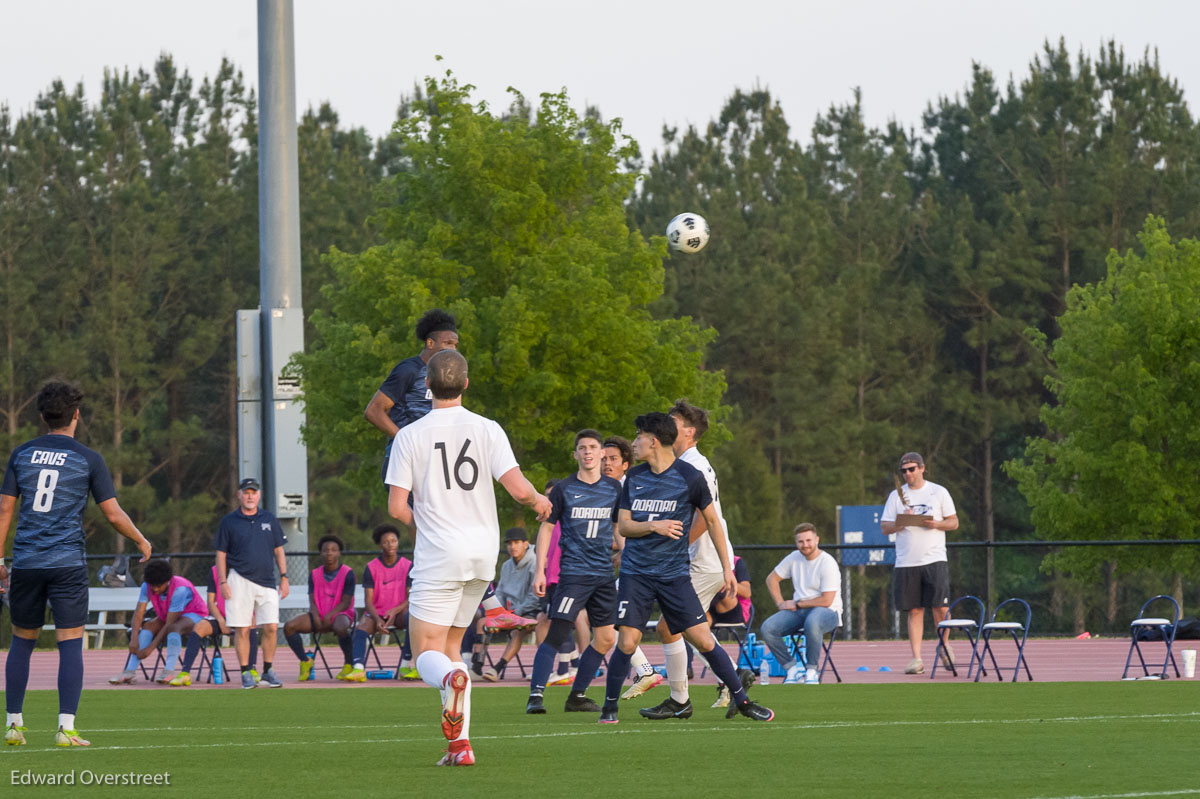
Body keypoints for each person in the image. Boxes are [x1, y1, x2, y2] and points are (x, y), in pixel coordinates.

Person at [385, 349, 551, 766]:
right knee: (453, 645)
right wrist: (539, 502)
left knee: (425, 651)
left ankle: (450, 681)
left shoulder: (409, 435)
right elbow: (517, 488)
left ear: (426, 386)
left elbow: (396, 508)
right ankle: (461, 747)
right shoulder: (488, 428)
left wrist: (426, 528)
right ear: (465, 384)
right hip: (481, 556)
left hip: (441, 555)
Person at [0, 380, 152, 747]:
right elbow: (113, 515)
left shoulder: (21, 454)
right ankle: (66, 729)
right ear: (76, 415)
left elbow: (5, 508)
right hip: (67, 563)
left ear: (42, 415)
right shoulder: (87, 458)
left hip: (27, 563)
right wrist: (141, 539)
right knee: (70, 643)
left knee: (22, 641)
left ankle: (13, 725)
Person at [599, 412, 772, 724]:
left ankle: (742, 701)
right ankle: (609, 709)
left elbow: (713, 523)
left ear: (652, 441)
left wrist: (728, 569)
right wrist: (655, 525)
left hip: (674, 575)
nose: (634, 443)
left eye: (638, 437)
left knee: (704, 639)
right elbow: (623, 526)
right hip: (636, 574)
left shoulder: (691, 477)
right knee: (626, 641)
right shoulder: (634, 479)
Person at [643, 399, 751, 708]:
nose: (665, 429)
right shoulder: (680, 464)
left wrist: (671, 545)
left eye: (673, 424)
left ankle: (681, 699)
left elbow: (706, 518)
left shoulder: (694, 466)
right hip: (700, 560)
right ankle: (730, 677)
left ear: (689, 432)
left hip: (705, 561)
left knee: (667, 627)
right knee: (691, 629)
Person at [526, 430, 622, 714]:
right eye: (582, 448)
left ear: (602, 452)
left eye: (593, 447)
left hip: (604, 575)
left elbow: (619, 527)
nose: (588, 452)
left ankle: (576, 696)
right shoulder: (564, 489)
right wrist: (540, 571)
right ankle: (535, 696)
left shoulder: (614, 488)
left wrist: (628, 557)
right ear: (576, 454)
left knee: (606, 638)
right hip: (574, 575)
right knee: (557, 633)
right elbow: (546, 529)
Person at [880, 451, 958, 675]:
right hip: (906, 561)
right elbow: (885, 527)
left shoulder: (938, 492)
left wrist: (936, 524)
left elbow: (954, 522)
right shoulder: (896, 496)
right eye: (904, 471)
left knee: (940, 607)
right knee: (914, 610)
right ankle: (916, 658)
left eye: (912, 469)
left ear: (922, 468)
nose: (908, 474)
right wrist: (900, 522)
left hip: (934, 558)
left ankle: (944, 647)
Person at [365, 309, 459, 481]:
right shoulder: (409, 370)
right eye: (447, 343)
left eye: (455, 345)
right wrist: (406, 441)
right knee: (404, 509)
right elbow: (374, 411)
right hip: (405, 463)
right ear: (430, 343)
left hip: (435, 463)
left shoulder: (447, 375)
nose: (452, 349)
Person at [602, 435, 663, 699]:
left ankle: (728, 674)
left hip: (659, 565)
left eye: (613, 459)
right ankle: (644, 669)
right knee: (611, 615)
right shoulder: (614, 488)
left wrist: (625, 551)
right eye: (604, 459)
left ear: (626, 464)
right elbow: (621, 530)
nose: (607, 464)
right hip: (641, 566)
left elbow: (642, 524)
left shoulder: (632, 487)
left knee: (686, 628)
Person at [213, 477, 289, 689]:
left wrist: (285, 577)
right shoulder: (229, 521)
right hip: (239, 579)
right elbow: (221, 554)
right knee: (243, 629)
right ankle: (246, 672)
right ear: (239, 495)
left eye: (253, 492)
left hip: (267, 581)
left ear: (259, 495)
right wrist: (222, 581)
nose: (249, 496)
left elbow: (279, 549)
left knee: (272, 627)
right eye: (246, 492)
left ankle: (267, 670)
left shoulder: (269, 519)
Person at [760, 523, 842, 685]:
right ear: (796, 543)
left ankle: (811, 670)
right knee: (767, 628)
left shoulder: (828, 562)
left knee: (813, 622)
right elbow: (772, 579)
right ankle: (792, 669)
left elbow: (827, 600)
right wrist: (780, 603)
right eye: (801, 542)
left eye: (808, 540)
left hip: (828, 612)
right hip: (799, 611)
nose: (805, 545)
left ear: (817, 540)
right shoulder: (793, 558)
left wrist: (797, 604)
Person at [109, 559, 209, 685]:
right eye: (152, 585)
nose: (155, 589)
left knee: (175, 628)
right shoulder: (147, 585)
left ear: (167, 581)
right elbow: (139, 612)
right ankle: (129, 672)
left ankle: (168, 671)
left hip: (194, 615)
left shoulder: (180, 589)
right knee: (148, 626)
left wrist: (150, 648)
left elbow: (169, 624)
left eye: (158, 585)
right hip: (168, 615)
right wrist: (134, 638)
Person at [167, 565, 260, 687]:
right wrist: (221, 621)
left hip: (243, 615)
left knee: (251, 626)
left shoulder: (246, 567)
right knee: (199, 627)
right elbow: (211, 602)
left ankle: (251, 669)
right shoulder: (215, 570)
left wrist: (250, 613)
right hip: (220, 617)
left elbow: (254, 595)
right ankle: (185, 673)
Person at [284, 535, 356, 682]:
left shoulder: (348, 573)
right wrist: (315, 615)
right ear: (321, 553)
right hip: (319, 614)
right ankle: (305, 661)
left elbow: (346, 602)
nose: (329, 553)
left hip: (340, 614)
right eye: (325, 550)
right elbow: (312, 599)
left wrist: (330, 615)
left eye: (333, 550)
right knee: (289, 627)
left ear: (339, 553)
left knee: (341, 627)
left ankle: (349, 664)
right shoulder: (315, 574)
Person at [348, 524, 414, 681]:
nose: (390, 544)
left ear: (398, 542)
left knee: (413, 620)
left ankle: (405, 665)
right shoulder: (371, 567)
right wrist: (378, 619)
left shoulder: (408, 565)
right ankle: (358, 669)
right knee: (361, 628)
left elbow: (410, 597)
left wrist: (395, 611)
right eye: (386, 541)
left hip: (398, 613)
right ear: (380, 544)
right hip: (376, 613)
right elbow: (368, 600)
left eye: (394, 540)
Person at [481, 528, 540, 681]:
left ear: (526, 544)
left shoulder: (535, 563)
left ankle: (497, 668)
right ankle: (474, 665)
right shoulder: (507, 565)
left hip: (531, 611)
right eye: (509, 543)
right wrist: (498, 611)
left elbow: (535, 597)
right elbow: (499, 591)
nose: (512, 547)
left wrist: (516, 613)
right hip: (509, 613)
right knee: (478, 620)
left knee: (518, 631)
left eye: (517, 542)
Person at [707, 554, 752, 707]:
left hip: (733, 609)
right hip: (708, 607)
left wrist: (727, 581)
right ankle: (726, 679)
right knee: (688, 627)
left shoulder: (737, 562)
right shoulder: (701, 561)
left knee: (722, 589)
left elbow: (746, 592)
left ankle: (731, 677)